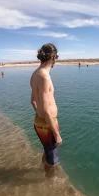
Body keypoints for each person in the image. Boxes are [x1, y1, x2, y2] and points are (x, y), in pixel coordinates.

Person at [30, 43, 62, 171]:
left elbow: (33, 101)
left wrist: (39, 114)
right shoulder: (44, 76)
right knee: (53, 160)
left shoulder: (35, 74)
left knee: (48, 152)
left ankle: (42, 170)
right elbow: (46, 110)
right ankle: (48, 182)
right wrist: (56, 133)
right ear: (54, 57)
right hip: (46, 124)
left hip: (42, 121)